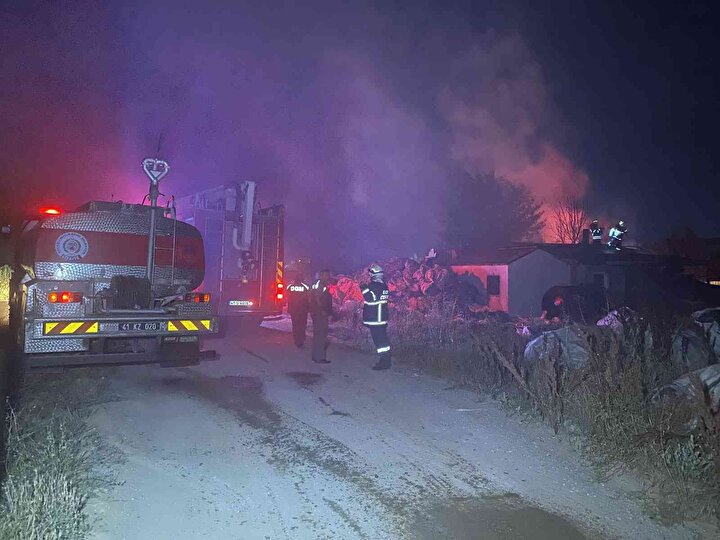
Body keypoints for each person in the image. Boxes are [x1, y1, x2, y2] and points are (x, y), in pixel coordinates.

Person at [361, 264, 391, 370]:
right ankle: (386, 360)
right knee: (383, 340)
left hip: (375, 318)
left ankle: (384, 362)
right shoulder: (383, 285)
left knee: (379, 341)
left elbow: (369, 299)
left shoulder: (374, 286)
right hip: (381, 317)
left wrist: (363, 288)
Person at [310, 269, 333, 364]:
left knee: (318, 335)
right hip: (320, 314)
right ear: (321, 276)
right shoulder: (320, 286)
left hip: (317, 313)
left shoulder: (320, 285)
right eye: (326, 275)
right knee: (321, 335)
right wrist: (323, 310)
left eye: (328, 275)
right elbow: (318, 299)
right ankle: (319, 357)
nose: (328, 277)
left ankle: (316, 356)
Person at [286, 273, 310, 348]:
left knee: (295, 325)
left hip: (293, 310)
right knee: (302, 325)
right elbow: (309, 297)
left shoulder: (290, 286)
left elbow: (287, 296)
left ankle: (296, 339)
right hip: (303, 310)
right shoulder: (305, 287)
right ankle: (301, 339)